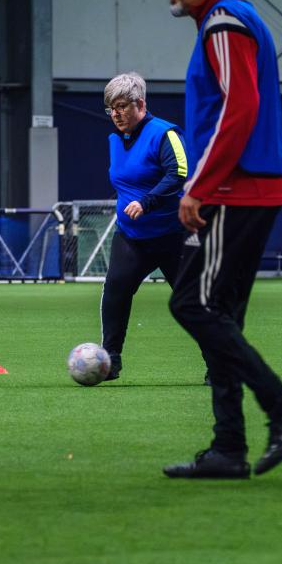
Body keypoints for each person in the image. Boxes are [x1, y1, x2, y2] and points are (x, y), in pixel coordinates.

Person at [159, 0, 282, 479]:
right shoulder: (226, 22)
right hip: (250, 186)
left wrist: (199, 185)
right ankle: (228, 448)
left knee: (192, 306)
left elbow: (238, 107)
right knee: (218, 315)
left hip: (235, 190)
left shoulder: (225, 21)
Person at [101, 72, 188, 381]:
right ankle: (109, 361)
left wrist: (147, 202)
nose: (116, 114)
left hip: (173, 235)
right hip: (131, 236)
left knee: (192, 303)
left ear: (140, 104)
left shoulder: (165, 134)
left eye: (122, 106)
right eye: (111, 108)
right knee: (115, 291)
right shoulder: (116, 140)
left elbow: (178, 172)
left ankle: (219, 365)